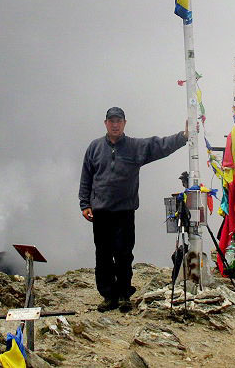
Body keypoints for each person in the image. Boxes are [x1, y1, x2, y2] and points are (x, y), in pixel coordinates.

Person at [79, 106, 188, 312]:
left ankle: (123, 295)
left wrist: (183, 137)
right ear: (106, 123)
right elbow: (86, 177)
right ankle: (108, 296)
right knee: (102, 255)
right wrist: (85, 204)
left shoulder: (135, 147)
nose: (115, 124)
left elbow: (160, 145)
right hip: (100, 212)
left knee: (123, 254)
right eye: (111, 120)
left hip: (124, 212)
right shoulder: (94, 148)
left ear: (124, 123)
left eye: (118, 120)